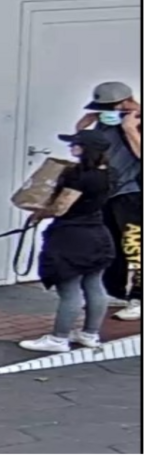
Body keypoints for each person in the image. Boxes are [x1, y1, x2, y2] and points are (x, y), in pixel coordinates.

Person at [20, 130, 115, 353]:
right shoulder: (109, 174)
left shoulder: (78, 176)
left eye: (76, 144)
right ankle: (90, 334)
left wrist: (38, 214)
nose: (72, 147)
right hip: (98, 235)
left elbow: (61, 207)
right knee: (94, 285)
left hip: (71, 238)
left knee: (69, 290)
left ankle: (58, 339)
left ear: (86, 149)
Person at [75, 82, 141, 321]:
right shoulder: (104, 122)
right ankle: (114, 291)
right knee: (109, 244)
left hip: (133, 194)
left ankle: (140, 298)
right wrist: (82, 127)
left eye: (108, 107)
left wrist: (131, 130)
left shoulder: (139, 121)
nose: (105, 112)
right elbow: (86, 152)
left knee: (135, 247)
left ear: (124, 102)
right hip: (107, 193)